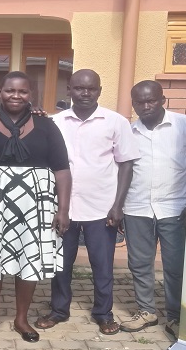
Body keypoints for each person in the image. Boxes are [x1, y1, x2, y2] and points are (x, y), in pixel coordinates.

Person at [0, 71, 71, 343]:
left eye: (22, 91)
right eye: (10, 91)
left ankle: (21, 319)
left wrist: (63, 210)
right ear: (0, 93)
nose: (16, 96)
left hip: (36, 205)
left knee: (28, 258)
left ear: (30, 95)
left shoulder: (47, 127)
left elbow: (62, 170)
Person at [35, 70, 140, 335]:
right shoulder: (54, 122)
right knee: (62, 262)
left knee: (102, 264)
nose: (85, 93)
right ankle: (59, 309)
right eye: (79, 88)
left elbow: (126, 164)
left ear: (99, 91)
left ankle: (103, 313)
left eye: (91, 89)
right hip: (63, 207)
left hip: (101, 206)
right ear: (68, 89)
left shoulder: (115, 122)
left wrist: (119, 205)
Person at [123, 80, 186, 338]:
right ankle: (146, 311)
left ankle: (175, 316)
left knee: (175, 265)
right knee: (139, 263)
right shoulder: (129, 132)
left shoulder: (185, 126)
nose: (145, 106)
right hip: (137, 206)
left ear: (162, 99)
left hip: (175, 206)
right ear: (133, 103)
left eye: (151, 100)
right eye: (139, 102)